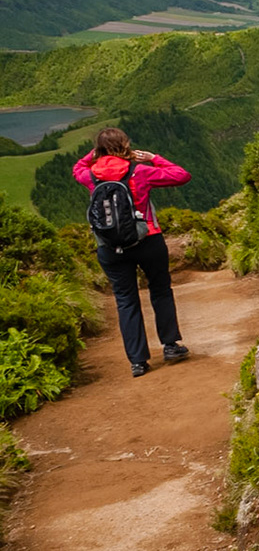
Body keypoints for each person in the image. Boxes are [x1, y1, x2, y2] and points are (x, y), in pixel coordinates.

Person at [73, 127, 192, 377]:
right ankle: (170, 345)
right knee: (160, 290)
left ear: (99, 150)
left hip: (110, 247)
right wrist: (154, 158)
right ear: (126, 146)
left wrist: (93, 155)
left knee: (126, 301)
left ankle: (138, 361)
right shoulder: (140, 172)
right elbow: (181, 175)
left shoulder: (90, 175)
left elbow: (76, 168)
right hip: (148, 239)